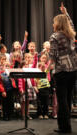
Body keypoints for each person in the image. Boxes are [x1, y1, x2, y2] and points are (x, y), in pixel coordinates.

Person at [49, 3, 77, 133]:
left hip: (61, 71)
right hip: (73, 70)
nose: (53, 24)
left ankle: (64, 127)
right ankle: (67, 126)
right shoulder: (71, 34)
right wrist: (66, 13)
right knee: (68, 98)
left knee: (62, 100)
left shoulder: (54, 36)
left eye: (54, 22)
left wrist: (45, 68)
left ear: (58, 24)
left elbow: (53, 56)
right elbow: (70, 23)